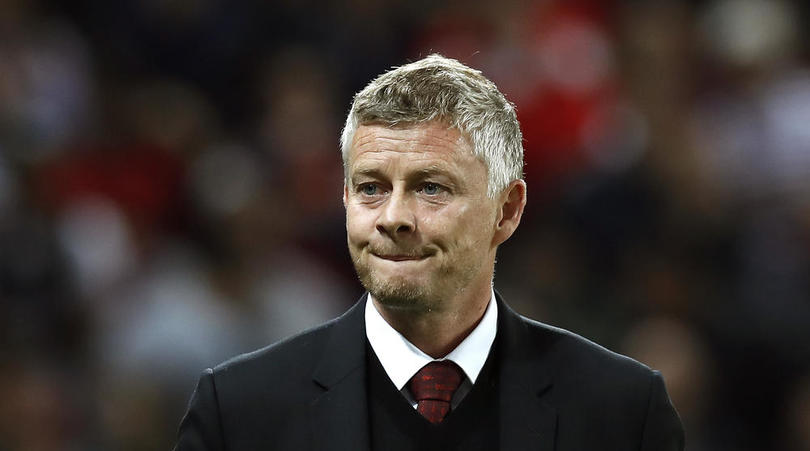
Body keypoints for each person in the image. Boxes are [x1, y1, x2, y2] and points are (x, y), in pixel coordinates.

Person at [174, 54, 684, 450]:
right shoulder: (238, 412)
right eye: (371, 188)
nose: (393, 217)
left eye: (430, 187)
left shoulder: (621, 411)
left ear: (507, 210)